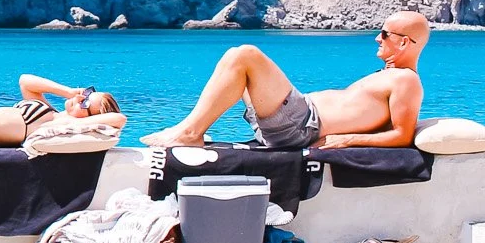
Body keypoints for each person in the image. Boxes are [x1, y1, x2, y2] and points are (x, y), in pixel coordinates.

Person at [140, 12, 429, 150]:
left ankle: (189, 133)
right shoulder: (389, 75)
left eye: (385, 33)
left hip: (302, 126)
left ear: (404, 43)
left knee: (246, 55)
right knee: (235, 57)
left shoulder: (406, 81)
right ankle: (187, 128)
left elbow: (402, 135)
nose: (377, 38)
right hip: (294, 120)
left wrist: (348, 140)